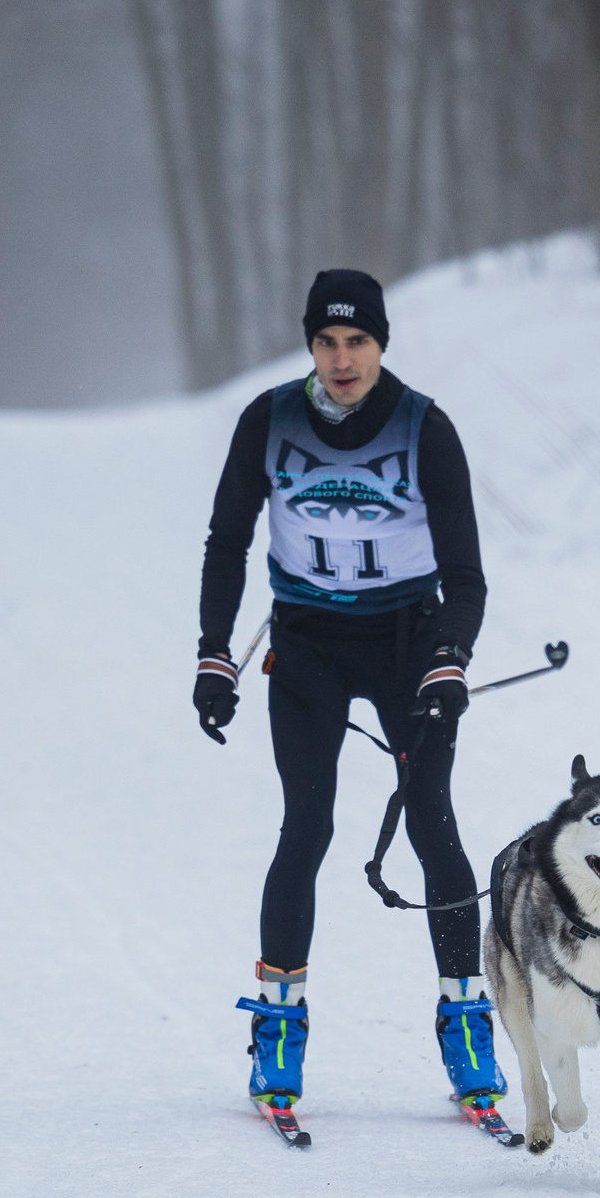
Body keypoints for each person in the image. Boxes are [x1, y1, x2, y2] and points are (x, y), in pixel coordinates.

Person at [192, 268, 506, 1122]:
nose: (341, 359)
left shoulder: (424, 428)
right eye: (326, 342)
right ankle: (279, 1026)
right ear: (310, 344)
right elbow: (229, 538)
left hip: (408, 643)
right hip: (307, 649)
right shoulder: (268, 420)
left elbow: (469, 575)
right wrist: (215, 652)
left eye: (357, 341)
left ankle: (466, 1021)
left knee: (431, 820)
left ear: (381, 344)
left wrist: (449, 656)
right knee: (309, 824)